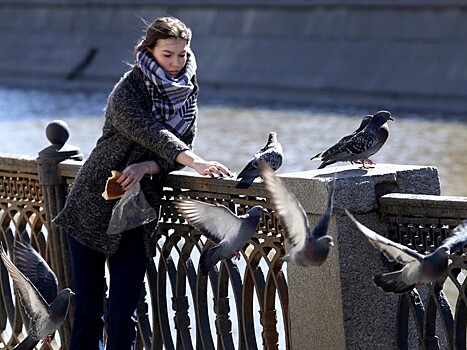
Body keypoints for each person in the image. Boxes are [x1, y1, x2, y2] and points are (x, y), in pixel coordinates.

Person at [53, 16, 231, 350]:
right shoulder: (128, 90)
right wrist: (196, 162)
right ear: (149, 51)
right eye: (168, 55)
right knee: (89, 312)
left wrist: (146, 165)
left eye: (182, 54)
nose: (177, 63)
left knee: (124, 313)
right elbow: (152, 132)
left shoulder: (187, 93)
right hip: (93, 202)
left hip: (139, 210)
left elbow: (166, 152)